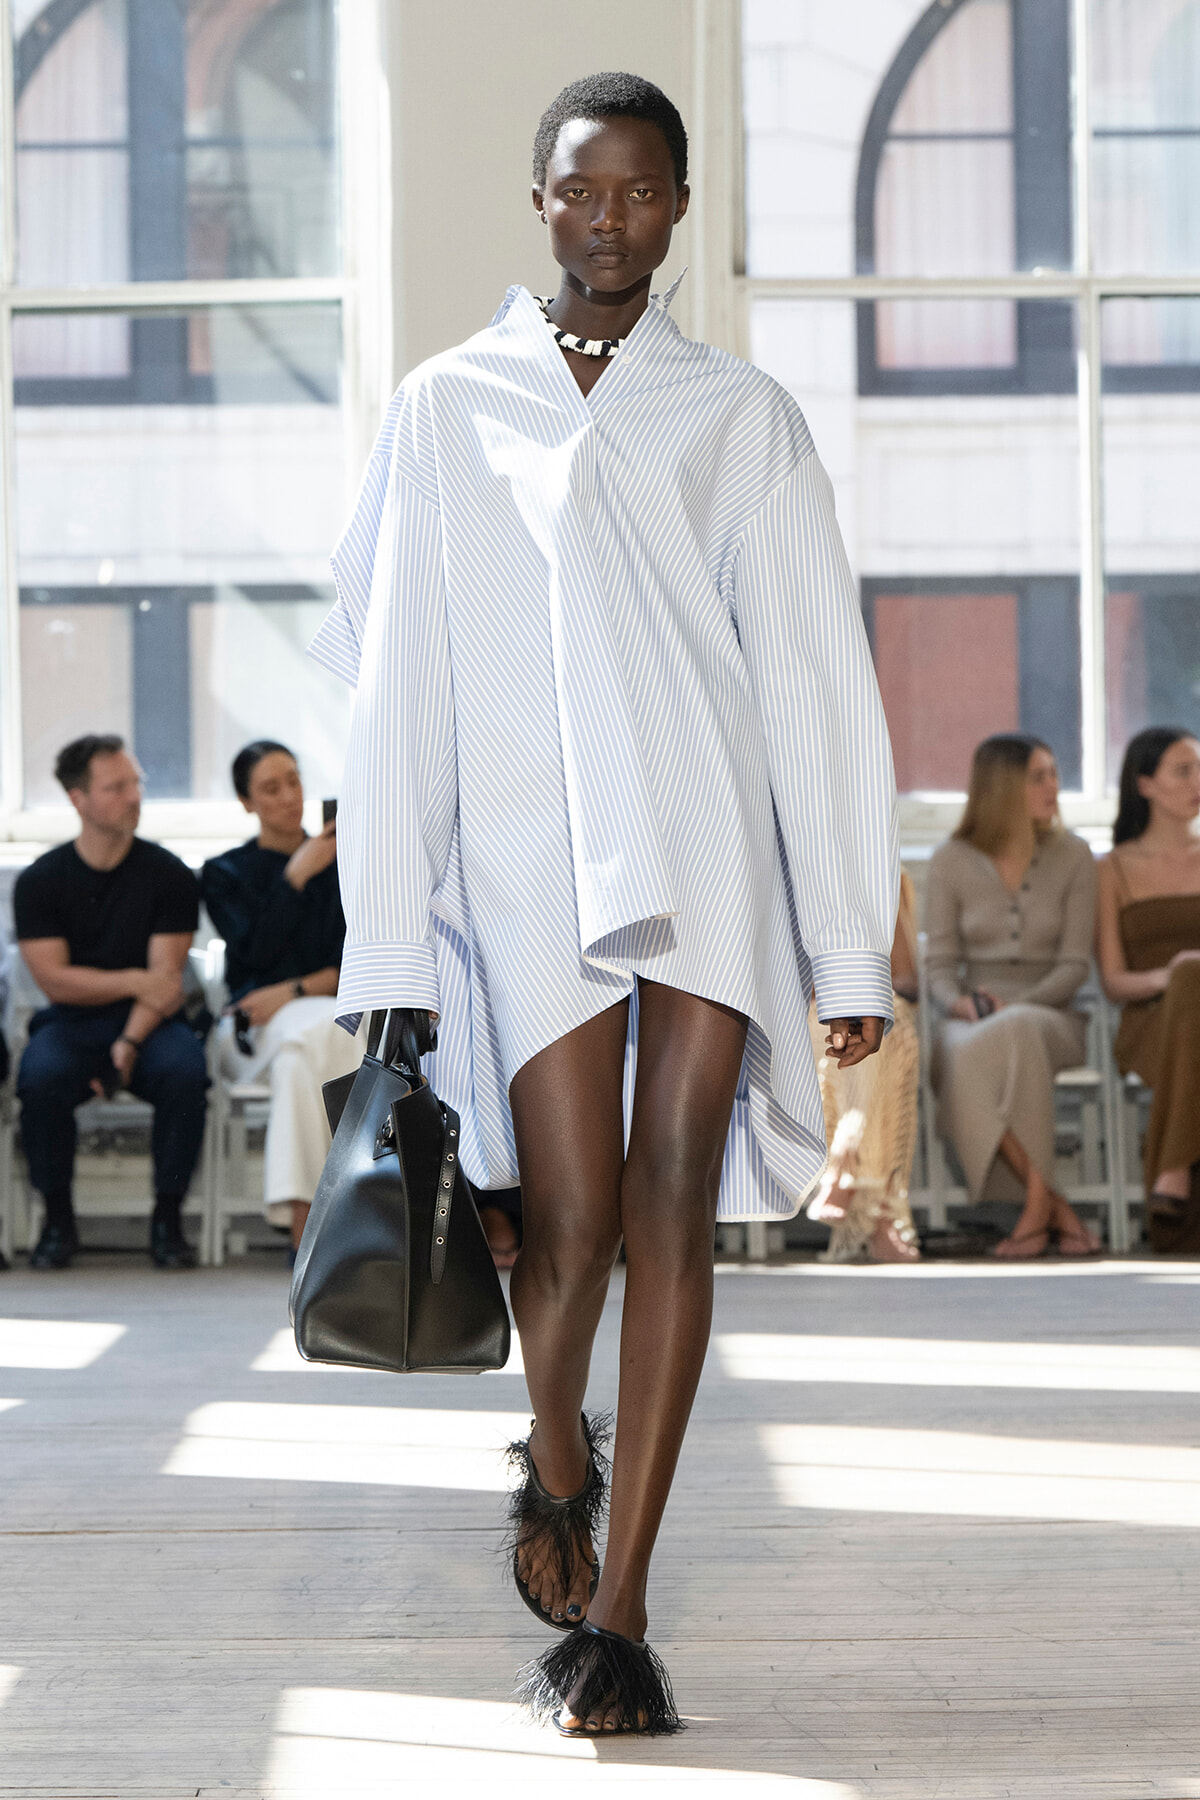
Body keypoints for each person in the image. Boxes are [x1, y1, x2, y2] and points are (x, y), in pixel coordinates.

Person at [310, 74, 897, 1735]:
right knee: (560, 1229)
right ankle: (553, 1460)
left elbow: (810, 680)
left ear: (680, 212)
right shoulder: (446, 405)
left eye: (645, 193)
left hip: (705, 845)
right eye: (585, 190)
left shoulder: (736, 414)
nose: (613, 218)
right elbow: (396, 680)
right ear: (542, 198)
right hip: (518, 860)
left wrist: (845, 931)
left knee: (667, 1211)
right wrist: (392, 935)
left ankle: (623, 1616)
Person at [14, 735, 207, 1269]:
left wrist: (129, 1040)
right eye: (116, 787)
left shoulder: (170, 874)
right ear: (78, 799)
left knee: (186, 1075)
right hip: (70, 1023)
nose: (133, 796)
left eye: (136, 783)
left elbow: (165, 983)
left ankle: (167, 1220)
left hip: (151, 1024)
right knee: (41, 1079)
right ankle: (57, 1222)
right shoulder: (39, 881)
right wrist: (131, 981)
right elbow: (56, 983)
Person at [925, 733, 1098, 1258]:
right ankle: (1051, 1206)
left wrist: (1020, 1005)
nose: (1054, 786)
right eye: (1038, 776)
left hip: (1052, 1014)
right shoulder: (950, 859)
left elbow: (1074, 966)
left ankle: (1038, 1209)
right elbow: (938, 966)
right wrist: (957, 1001)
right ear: (1002, 788)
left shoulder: (1075, 855)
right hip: (973, 1012)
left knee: (1017, 1029)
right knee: (955, 1048)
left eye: (1053, 773)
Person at [200, 741, 360, 1251]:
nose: (290, 796)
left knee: (302, 1049)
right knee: (311, 1037)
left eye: (294, 780)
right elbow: (252, 956)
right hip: (250, 1029)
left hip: (326, 1018)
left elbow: (361, 957)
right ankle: (330, 1219)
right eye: (271, 788)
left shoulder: (348, 861)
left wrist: (294, 990)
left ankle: (304, 1217)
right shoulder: (224, 873)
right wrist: (295, 875)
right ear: (247, 803)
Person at [1096, 727, 1200, 1252]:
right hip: (1150, 1021)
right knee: (1191, 976)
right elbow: (1113, 982)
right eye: (1183, 770)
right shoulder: (1113, 868)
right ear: (1145, 784)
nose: (1197, 782)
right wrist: (1173, 974)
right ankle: (1177, 1170)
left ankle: (1172, 1172)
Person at [806, 871, 921, 1262]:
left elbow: (907, 980)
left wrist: (859, 988)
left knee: (883, 1025)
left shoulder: (878, 869)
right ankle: (877, 1212)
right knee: (856, 1030)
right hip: (796, 1013)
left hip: (865, 1015)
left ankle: (846, 1168)